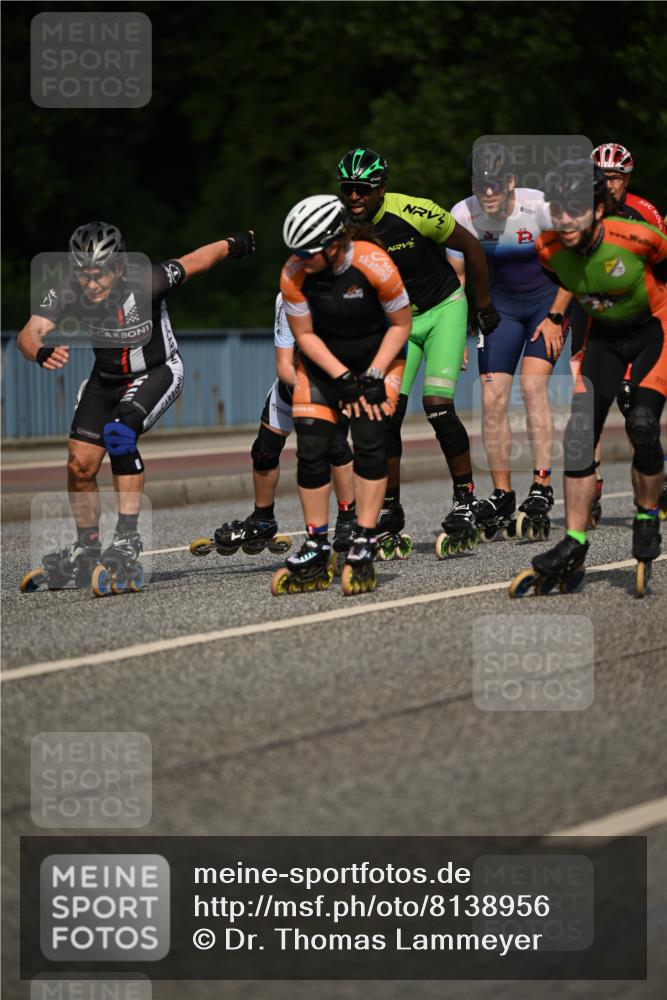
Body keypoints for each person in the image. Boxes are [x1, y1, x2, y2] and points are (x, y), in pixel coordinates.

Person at [17, 221, 255, 595]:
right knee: (79, 465)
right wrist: (41, 351)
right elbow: (28, 333)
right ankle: (88, 547)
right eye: (84, 273)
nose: (91, 283)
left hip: (157, 371)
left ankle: (127, 541)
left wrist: (233, 244)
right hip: (105, 380)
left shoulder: (147, 279)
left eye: (100, 274)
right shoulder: (67, 289)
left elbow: (194, 261)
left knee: (119, 434)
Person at [510, 160, 667, 599]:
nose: (565, 220)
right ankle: (574, 541)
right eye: (557, 210)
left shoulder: (639, 238)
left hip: (654, 332)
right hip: (604, 339)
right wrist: (556, 315)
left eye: (576, 210)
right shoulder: (548, 248)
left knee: (641, 423)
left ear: (599, 209)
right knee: (579, 436)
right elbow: (569, 276)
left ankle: (647, 512)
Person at [336, 147, 500, 558]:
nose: (354, 197)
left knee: (437, 407)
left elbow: (473, 249)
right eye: (347, 189)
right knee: (385, 415)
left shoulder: (416, 211)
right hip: (399, 325)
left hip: (444, 308)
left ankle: (464, 499)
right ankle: (389, 509)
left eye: (362, 190)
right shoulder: (340, 229)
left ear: (381, 190)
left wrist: (483, 308)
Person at [273, 194, 412, 596]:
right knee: (312, 442)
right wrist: (342, 377)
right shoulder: (293, 273)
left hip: (378, 357)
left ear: (334, 243)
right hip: (325, 361)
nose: (301, 258)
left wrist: (370, 374)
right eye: (295, 252)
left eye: (308, 251)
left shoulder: (373, 262)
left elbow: (401, 324)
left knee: (370, 440)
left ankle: (365, 538)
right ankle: (317, 542)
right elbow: (305, 336)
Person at [447, 142, 574, 542]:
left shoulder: (539, 207)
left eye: (497, 184)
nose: (489, 192)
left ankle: (541, 484)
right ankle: (502, 492)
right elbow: (458, 279)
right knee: (492, 396)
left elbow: (574, 265)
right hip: (498, 308)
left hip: (544, 303)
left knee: (532, 387)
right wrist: (454, 334)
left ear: (512, 182)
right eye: (482, 184)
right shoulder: (462, 214)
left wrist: (556, 317)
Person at [190, 292, 356, 563]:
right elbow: (283, 366)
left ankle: (348, 518)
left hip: (338, 384)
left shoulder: (347, 294)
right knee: (263, 451)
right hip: (293, 383)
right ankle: (263, 517)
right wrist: (307, 394)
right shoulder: (288, 298)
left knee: (335, 447)